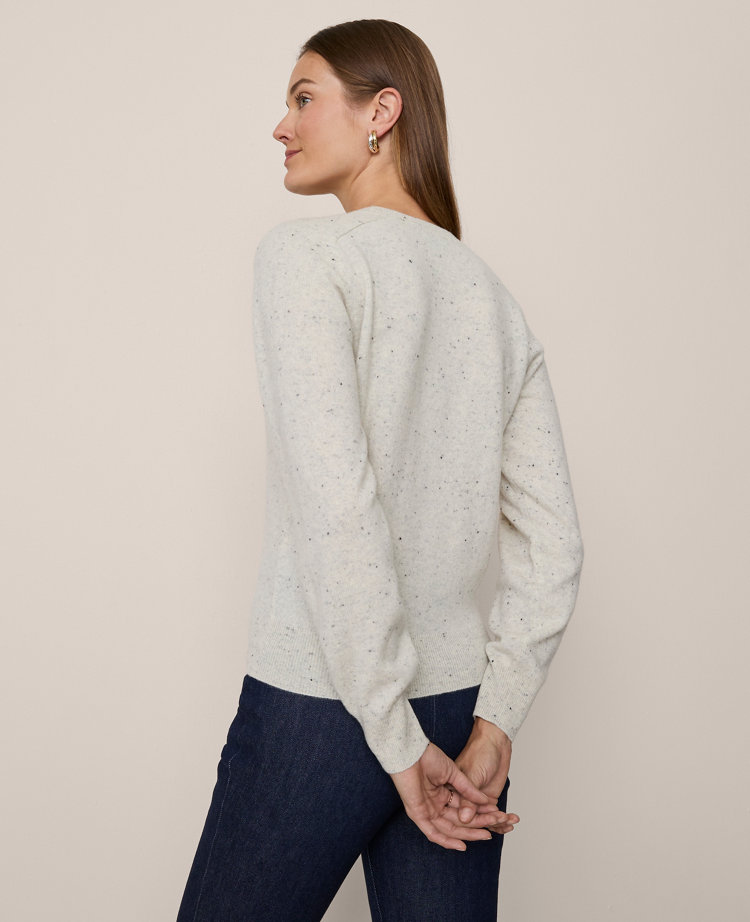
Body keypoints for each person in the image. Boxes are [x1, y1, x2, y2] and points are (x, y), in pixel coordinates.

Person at [176, 18, 584, 922]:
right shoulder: (493, 301)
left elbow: (338, 511)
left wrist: (393, 738)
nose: (281, 125)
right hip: (455, 716)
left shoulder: (305, 258)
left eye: (303, 97)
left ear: (381, 112)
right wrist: (496, 724)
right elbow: (554, 544)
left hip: (324, 704)